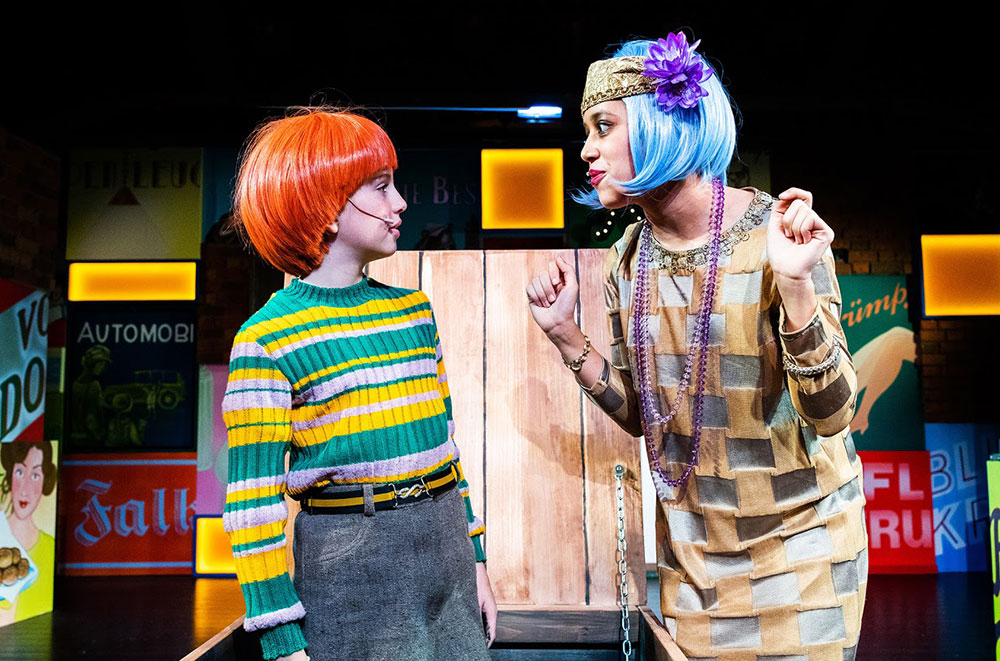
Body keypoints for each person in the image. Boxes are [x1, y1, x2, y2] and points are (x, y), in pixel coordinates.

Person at [526, 34, 866, 660]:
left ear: (663, 127)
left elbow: (834, 414)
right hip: (694, 562)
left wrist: (795, 286)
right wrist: (566, 335)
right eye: (587, 131)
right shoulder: (628, 259)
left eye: (605, 126)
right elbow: (646, 416)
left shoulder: (779, 237)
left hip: (804, 548)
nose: (587, 149)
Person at [224, 107, 496, 661]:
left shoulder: (413, 312)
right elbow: (252, 504)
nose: (400, 202)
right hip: (351, 562)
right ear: (324, 206)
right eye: (380, 186)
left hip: (444, 540)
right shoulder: (267, 339)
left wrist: (476, 562)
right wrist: (281, 638)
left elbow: (446, 448)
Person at [0, 440, 58, 625]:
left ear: (45, 481)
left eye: (35, 475)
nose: (25, 489)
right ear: (10, 475)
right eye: (19, 472)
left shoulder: (50, 548)